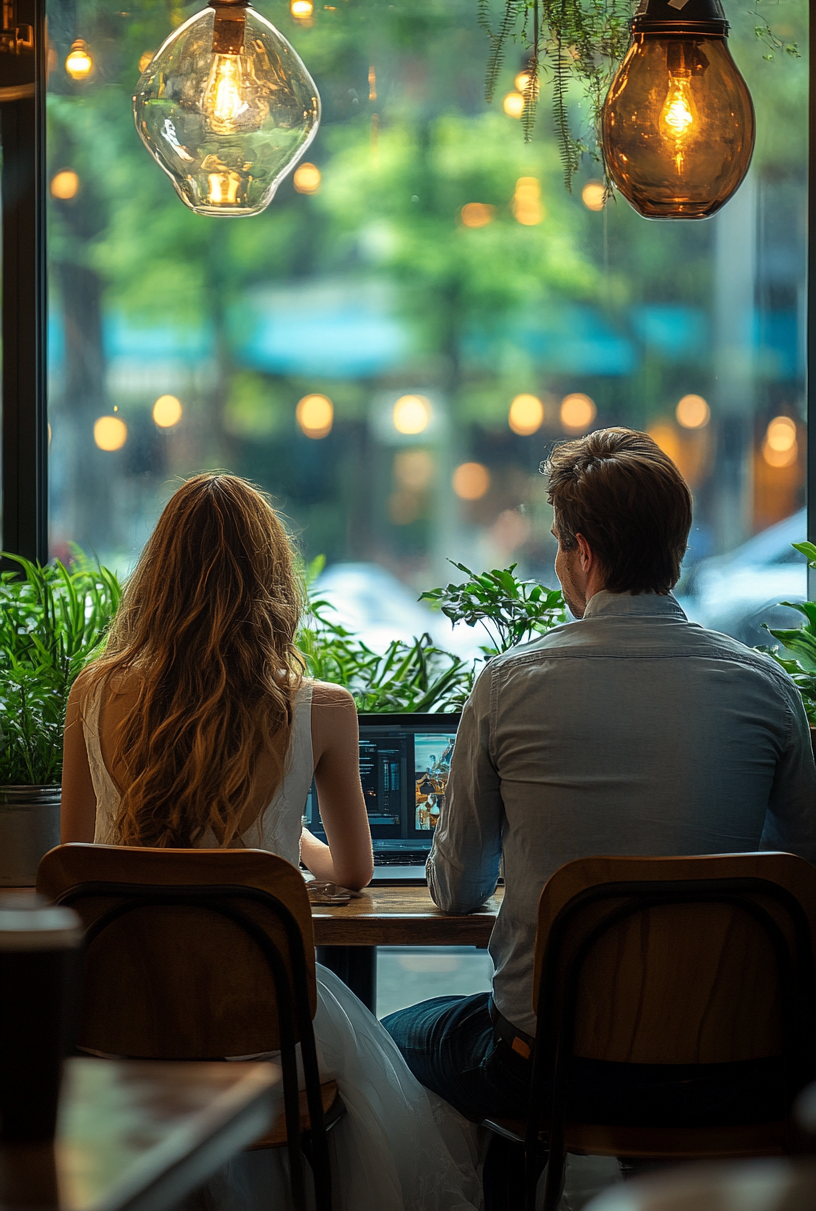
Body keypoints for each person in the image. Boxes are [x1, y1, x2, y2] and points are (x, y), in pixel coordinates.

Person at [383, 427, 816, 1198]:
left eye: (557, 544)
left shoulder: (510, 683)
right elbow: (803, 876)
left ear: (581, 553)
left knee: (392, 1040)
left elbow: (454, 892)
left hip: (548, 1069)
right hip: (730, 1067)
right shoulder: (765, 688)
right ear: (676, 548)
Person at [61, 473, 482, 1211]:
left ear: (156, 577)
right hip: (263, 1025)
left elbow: (69, 868)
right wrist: (289, 847)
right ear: (274, 577)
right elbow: (354, 869)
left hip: (121, 1022)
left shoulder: (92, 693)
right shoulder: (319, 708)